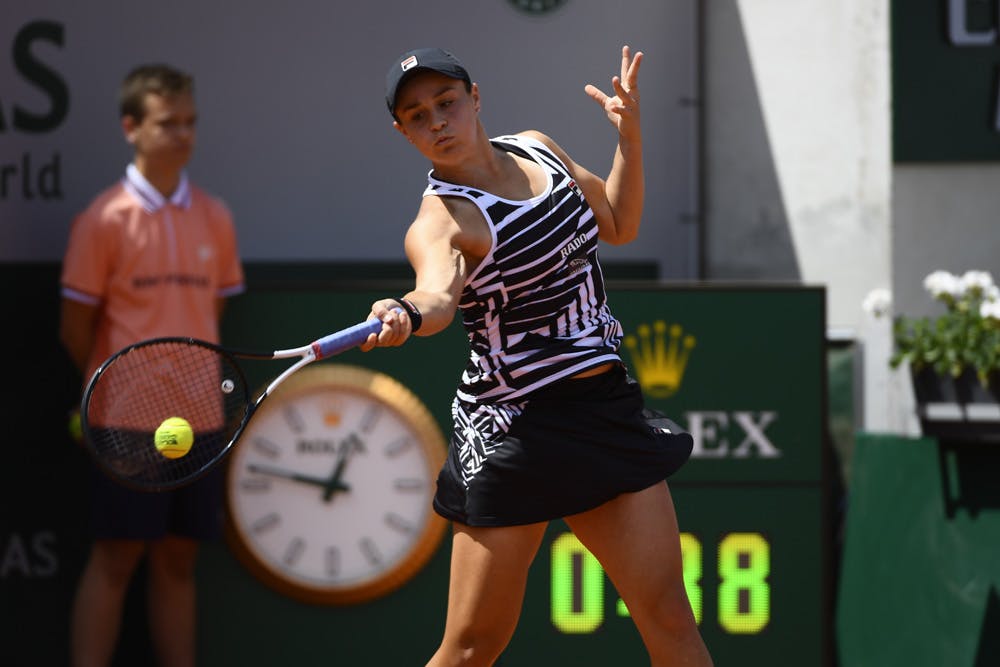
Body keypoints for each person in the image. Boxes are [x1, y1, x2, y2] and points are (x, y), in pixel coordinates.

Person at [363, 46, 713, 666]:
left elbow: (617, 221)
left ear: (476, 98)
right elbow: (438, 294)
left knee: (670, 620)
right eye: (418, 116)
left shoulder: (538, 149)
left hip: (603, 408)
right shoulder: (441, 220)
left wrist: (629, 136)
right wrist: (407, 311)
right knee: (472, 648)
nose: (438, 121)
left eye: (447, 103)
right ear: (403, 132)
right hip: (513, 430)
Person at [59, 63, 245, 667]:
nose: (182, 135)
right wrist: (111, 392)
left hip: (201, 421)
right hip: (123, 424)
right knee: (116, 558)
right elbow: (75, 328)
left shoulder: (214, 216)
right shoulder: (103, 220)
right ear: (131, 128)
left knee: (178, 559)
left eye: (190, 123)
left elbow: (210, 306)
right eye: (168, 123)